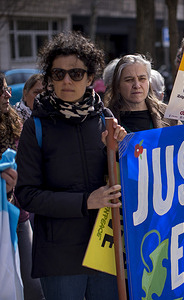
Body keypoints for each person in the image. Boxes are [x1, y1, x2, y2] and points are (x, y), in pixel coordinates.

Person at [15, 31, 127, 300]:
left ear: (90, 78)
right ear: (49, 78)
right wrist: (85, 201)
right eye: (58, 74)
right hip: (59, 258)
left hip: (106, 251)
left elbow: (123, 184)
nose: (66, 80)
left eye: (76, 74)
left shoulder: (106, 119)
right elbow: (26, 195)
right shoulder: (36, 126)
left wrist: (121, 154)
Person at [1, 72, 46, 300]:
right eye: (1, 90)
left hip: (20, 214)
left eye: (7, 88)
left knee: (33, 285)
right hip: (4, 213)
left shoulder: (14, 121)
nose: (7, 93)